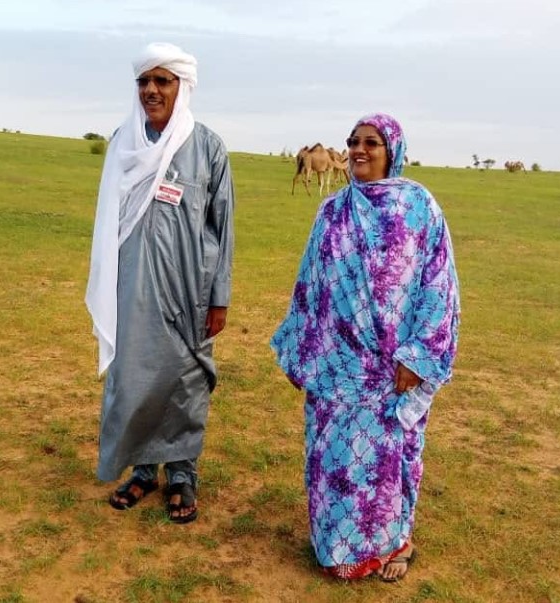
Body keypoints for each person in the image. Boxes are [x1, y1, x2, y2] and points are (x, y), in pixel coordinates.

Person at [271, 113, 459, 580]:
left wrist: (418, 356)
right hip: (337, 364)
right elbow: (310, 284)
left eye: (371, 142)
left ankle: (395, 542)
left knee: (390, 457)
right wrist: (309, 347)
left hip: (394, 369)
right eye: (354, 141)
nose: (359, 149)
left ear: (392, 150)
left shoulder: (420, 207)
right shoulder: (332, 210)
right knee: (334, 455)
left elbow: (439, 285)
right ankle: (338, 548)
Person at [85, 42, 235, 524]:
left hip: (189, 292)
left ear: (182, 87)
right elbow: (108, 220)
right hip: (131, 291)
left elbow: (222, 228)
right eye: (144, 82)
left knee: (186, 379)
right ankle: (144, 469)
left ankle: (183, 474)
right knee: (135, 378)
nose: (151, 90)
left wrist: (219, 298)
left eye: (162, 81)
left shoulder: (209, 147)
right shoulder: (124, 143)